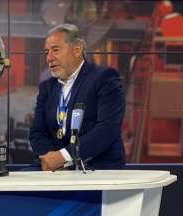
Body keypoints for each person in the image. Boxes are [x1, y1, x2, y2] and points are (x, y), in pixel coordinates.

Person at [29, 23, 125, 171]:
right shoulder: (46, 87)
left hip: (95, 169)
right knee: (9, 187)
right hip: (54, 170)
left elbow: (107, 129)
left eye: (55, 50)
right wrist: (50, 160)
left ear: (77, 49)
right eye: (47, 52)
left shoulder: (104, 79)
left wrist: (64, 157)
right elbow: (37, 132)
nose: (49, 58)